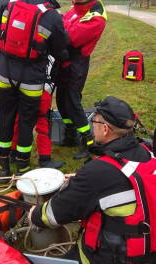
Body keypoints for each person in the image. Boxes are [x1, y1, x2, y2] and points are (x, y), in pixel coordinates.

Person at [28, 96, 156, 264]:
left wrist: (35, 215)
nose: (91, 124)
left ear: (105, 129)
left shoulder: (95, 173)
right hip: (155, 252)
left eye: (94, 120)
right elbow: (119, 181)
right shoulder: (148, 150)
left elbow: (55, 214)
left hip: (116, 262)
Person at [0, 0, 69, 176]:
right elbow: (61, 47)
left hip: (4, 74)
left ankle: (3, 169)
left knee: (5, 119)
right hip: (31, 81)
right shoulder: (52, 15)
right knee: (26, 123)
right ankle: (22, 167)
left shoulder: (8, 4)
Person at [54, 0, 107, 159]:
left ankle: (88, 140)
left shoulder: (96, 18)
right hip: (64, 60)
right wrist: (61, 19)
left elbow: (72, 37)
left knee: (72, 101)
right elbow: (65, 22)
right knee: (61, 100)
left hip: (77, 63)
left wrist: (58, 20)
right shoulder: (76, 9)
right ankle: (71, 135)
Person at [10, 89, 65, 169]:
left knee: (18, 123)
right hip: (38, 94)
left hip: (20, 95)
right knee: (43, 125)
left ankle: (13, 154)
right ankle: (45, 160)